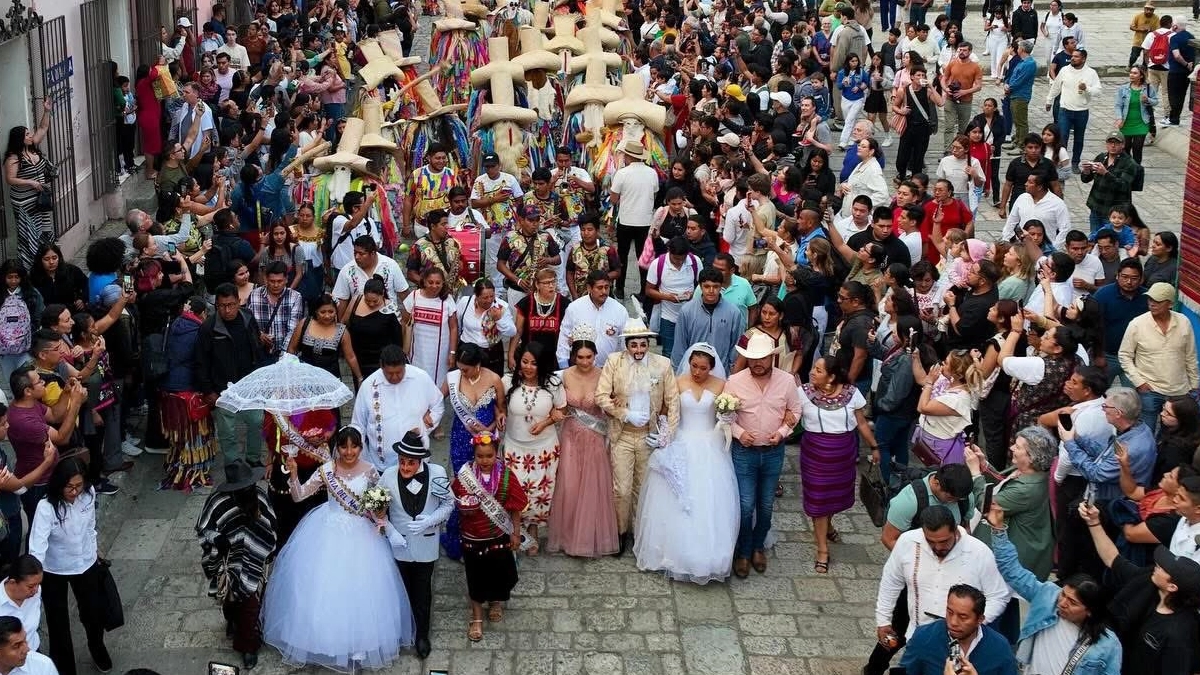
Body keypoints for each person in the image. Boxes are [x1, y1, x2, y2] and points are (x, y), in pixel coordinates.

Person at [262, 426, 415, 670]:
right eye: (343, 446)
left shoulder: (371, 471)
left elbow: (380, 503)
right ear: (337, 447)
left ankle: (360, 643)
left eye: (354, 446)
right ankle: (324, 639)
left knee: (362, 589)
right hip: (327, 530)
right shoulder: (326, 471)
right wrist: (293, 475)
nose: (349, 451)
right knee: (325, 589)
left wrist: (379, 511)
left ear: (360, 447)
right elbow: (299, 496)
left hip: (362, 535)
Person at [634, 342, 738, 582]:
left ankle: (710, 554)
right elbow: (665, 411)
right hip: (682, 441)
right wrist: (664, 436)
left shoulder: (721, 385)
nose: (697, 372)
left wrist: (727, 417)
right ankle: (672, 551)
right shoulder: (678, 382)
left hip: (711, 445)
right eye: (694, 366)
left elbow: (724, 415)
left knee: (710, 498)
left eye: (703, 368)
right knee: (677, 498)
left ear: (712, 367)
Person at [873, 507, 1010, 671]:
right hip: (920, 640)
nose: (937, 548)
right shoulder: (907, 543)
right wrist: (884, 620)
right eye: (931, 542)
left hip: (965, 645)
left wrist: (974, 621)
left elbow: (999, 595)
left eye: (944, 541)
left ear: (956, 532)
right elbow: (891, 581)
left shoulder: (979, 553)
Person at [1079, 504, 1200, 675]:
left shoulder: (1180, 634)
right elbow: (1112, 558)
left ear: (1172, 586)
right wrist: (1093, 522)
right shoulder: (1146, 582)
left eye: (1163, 567)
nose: (1157, 565)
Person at [596, 318, 679, 557]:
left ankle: (640, 531)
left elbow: (673, 402)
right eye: (634, 345)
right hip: (622, 435)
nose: (639, 350)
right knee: (621, 488)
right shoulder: (614, 362)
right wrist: (625, 413)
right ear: (627, 345)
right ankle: (620, 532)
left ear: (649, 344)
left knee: (642, 488)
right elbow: (601, 396)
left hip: (648, 437)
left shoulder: (663, 365)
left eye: (643, 345)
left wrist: (666, 435)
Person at [722, 332, 803, 578]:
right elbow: (724, 415)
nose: (758, 363)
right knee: (746, 505)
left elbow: (796, 409)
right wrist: (737, 432)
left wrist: (783, 431)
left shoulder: (787, 381)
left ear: (772, 358)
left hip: (773, 451)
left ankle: (759, 546)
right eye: (753, 359)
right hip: (744, 451)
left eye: (763, 358)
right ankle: (744, 551)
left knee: (766, 504)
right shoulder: (734, 381)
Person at [28, 459, 114, 675]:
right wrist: (34, 577)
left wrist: (94, 552)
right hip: (54, 569)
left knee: (93, 613)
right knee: (58, 624)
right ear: (59, 484)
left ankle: (97, 647)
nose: (75, 491)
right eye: (70, 487)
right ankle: (64, 669)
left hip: (85, 564)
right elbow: (37, 546)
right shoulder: (46, 507)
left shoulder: (88, 494)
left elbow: (90, 527)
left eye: (79, 486)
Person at [195, 460, 277, 671]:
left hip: (253, 558)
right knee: (229, 595)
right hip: (227, 558)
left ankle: (248, 646)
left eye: (249, 486)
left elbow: (270, 525)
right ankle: (231, 619)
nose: (246, 490)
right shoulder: (217, 501)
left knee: (250, 603)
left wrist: (266, 548)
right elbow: (204, 529)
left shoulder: (259, 497)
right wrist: (217, 539)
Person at [378, 432, 453, 661]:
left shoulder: (437, 474)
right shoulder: (388, 476)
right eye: (402, 461)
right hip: (398, 543)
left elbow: (448, 503)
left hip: (425, 542)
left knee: (423, 590)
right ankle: (403, 630)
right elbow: (376, 507)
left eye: (410, 462)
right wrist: (389, 531)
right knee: (401, 588)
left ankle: (422, 634)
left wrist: (431, 520)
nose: (405, 466)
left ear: (420, 461)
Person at [799, 356, 878, 573]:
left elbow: (861, 423)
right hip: (814, 454)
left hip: (842, 454)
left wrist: (874, 446)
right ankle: (822, 549)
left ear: (831, 376)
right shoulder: (803, 393)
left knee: (833, 497)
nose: (812, 372)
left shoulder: (851, 394)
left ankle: (828, 525)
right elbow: (790, 417)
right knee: (818, 499)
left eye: (818, 370)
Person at [547, 329, 618, 558]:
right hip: (570, 435)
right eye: (580, 357)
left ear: (595, 355)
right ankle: (568, 535)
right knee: (569, 485)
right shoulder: (563, 376)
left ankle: (591, 536)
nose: (585, 362)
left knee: (593, 486)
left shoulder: (605, 374)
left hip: (595, 437)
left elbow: (612, 402)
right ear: (573, 357)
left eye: (589, 357)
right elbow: (557, 405)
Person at [450, 432, 527, 643]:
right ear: (473, 455)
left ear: (497, 454)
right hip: (472, 535)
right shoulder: (466, 476)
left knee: (498, 572)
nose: (484, 461)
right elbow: (455, 498)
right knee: (475, 575)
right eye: (480, 456)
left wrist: (516, 533)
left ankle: (495, 601)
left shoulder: (506, 475)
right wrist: (463, 507)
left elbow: (516, 508)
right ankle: (476, 617)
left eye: (489, 456)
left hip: (497, 535)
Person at [441, 344, 506, 561]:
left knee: (486, 484)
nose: (462, 372)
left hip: (486, 440)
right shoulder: (453, 379)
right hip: (461, 438)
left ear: (477, 365)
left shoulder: (495, 379)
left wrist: (499, 417)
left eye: (466, 369)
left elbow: (501, 406)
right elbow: (435, 399)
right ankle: (457, 541)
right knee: (464, 487)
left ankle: (485, 534)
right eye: (460, 368)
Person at [501, 343, 566, 555]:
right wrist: (499, 415)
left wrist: (546, 422)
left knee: (540, 492)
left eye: (534, 363)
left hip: (544, 449)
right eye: (525, 362)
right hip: (514, 447)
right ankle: (515, 531)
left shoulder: (554, 383)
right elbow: (499, 405)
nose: (528, 367)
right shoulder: (507, 381)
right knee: (516, 490)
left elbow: (561, 409)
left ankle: (533, 531)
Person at [196, 283, 266, 466]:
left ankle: (253, 458)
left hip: (249, 384)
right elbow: (201, 362)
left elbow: (256, 346)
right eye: (222, 306)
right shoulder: (208, 328)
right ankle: (233, 463)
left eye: (231, 304)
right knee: (227, 430)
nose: (227, 310)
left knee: (256, 421)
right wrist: (208, 390)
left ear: (239, 302)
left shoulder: (248, 318)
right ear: (216, 305)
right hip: (222, 388)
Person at [1119, 283, 1199, 429]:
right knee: (1147, 432)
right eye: (1150, 299)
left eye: (1157, 301)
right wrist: (1139, 382)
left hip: (1179, 391)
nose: (1152, 304)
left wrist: (1194, 385)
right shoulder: (1137, 324)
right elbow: (1124, 355)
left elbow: (1190, 356)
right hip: (1150, 390)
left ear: (1170, 303)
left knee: (1173, 436)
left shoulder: (1183, 322)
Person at [351, 346, 444, 470]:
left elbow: (438, 404)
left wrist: (424, 428)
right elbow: (358, 425)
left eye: (399, 372)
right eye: (389, 373)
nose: (394, 377)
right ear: (381, 366)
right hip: (382, 464)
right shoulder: (368, 386)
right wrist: (362, 461)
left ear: (405, 365)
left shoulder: (420, 377)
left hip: (416, 460)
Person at [898, 585, 1019, 675]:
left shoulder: (1000, 647)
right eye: (950, 613)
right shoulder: (924, 637)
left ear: (980, 619)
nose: (953, 622)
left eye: (963, 617)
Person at [3, 100, 54, 269]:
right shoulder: (13, 157)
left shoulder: (32, 148)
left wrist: (46, 111)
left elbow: (43, 128)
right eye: (27, 134)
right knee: (30, 233)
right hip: (24, 201)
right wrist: (30, 182)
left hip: (40, 198)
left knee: (45, 229)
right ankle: (30, 266)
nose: (31, 135)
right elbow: (10, 179)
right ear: (20, 139)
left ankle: (46, 262)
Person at [670, 268, 747, 373]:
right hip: (693, 371)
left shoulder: (733, 312)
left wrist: (732, 372)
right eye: (707, 286)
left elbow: (736, 345)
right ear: (700, 287)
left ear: (721, 287)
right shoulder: (687, 311)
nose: (711, 291)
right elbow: (680, 344)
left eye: (715, 286)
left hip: (721, 373)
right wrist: (677, 371)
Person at [609, 141, 660, 299]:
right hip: (645, 221)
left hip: (626, 221)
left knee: (622, 256)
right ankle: (644, 289)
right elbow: (655, 193)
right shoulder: (652, 173)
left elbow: (613, 199)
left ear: (628, 156)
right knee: (644, 257)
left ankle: (620, 288)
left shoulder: (622, 174)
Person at [556, 272, 630, 369]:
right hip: (580, 369)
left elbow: (625, 342)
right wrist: (564, 367)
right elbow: (564, 337)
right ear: (589, 288)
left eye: (607, 287)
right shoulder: (575, 308)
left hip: (609, 369)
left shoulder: (620, 310)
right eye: (599, 288)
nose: (604, 291)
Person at [403, 267, 459, 392]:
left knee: (437, 387)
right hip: (417, 352)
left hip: (440, 355)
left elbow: (454, 327)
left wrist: (452, 352)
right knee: (416, 385)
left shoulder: (447, 300)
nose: (434, 286)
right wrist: (404, 347)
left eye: (438, 283)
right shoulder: (414, 297)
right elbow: (404, 321)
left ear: (443, 283)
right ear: (424, 281)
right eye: (431, 282)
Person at [510, 269, 567, 375]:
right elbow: (518, 332)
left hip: (554, 359)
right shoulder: (525, 303)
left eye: (553, 282)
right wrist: (510, 355)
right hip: (530, 360)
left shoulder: (565, 304)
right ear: (537, 284)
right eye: (546, 283)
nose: (551, 286)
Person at [344, 277, 403, 379]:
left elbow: (398, 339)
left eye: (375, 301)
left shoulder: (391, 309)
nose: (371, 304)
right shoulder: (356, 301)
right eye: (367, 301)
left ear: (382, 294)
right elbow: (344, 322)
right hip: (358, 359)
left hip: (380, 360)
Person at [456, 279, 517, 377]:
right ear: (476, 295)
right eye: (485, 297)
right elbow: (457, 325)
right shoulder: (465, 302)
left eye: (492, 296)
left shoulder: (501, 306)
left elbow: (512, 332)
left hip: (491, 354)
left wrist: (498, 319)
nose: (489, 300)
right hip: (467, 352)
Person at [0, 556, 43, 655]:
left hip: (34, 652)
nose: (36, 590)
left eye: (38, 584)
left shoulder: (35, 591)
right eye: (31, 586)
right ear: (13, 583)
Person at [29, 244, 85, 312]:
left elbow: (86, 285)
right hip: (46, 315)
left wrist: (81, 299)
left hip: (70, 312)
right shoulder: (33, 276)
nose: (51, 262)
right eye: (46, 259)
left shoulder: (71, 271)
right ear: (40, 260)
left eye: (54, 258)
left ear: (59, 258)